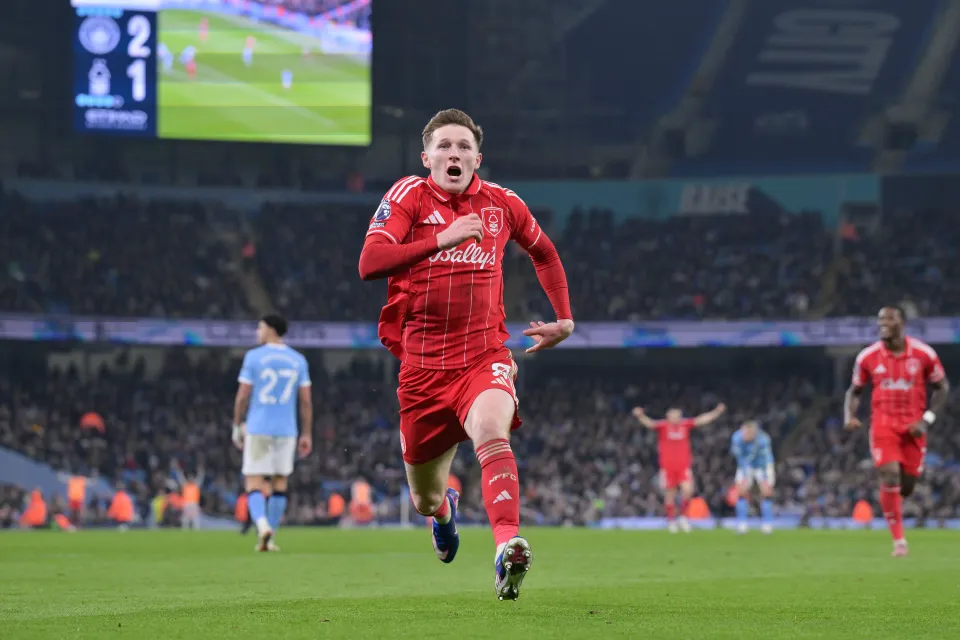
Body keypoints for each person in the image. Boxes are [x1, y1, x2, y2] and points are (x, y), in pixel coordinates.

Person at [358, 108, 574, 600]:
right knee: (424, 497)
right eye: (444, 146)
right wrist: (441, 239)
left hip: (483, 356)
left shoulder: (502, 204)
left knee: (492, 428)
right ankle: (445, 512)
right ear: (426, 156)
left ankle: (506, 547)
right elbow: (370, 262)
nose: (453, 153)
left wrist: (563, 316)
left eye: (463, 146)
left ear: (478, 157)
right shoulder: (407, 196)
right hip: (422, 370)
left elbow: (545, 252)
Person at [844, 306, 948, 557]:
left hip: (914, 428)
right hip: (883, 424)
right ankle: (899, 541)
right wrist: (849, 415)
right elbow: (854, 390)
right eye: (880, 319)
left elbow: (942, 387)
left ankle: (896, 501)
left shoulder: (923, 354)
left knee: (908, 486)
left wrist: (926, 420)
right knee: (889, 474)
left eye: (889, 319)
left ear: (902, 323)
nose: (883, 323)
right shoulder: (867, 357)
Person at [233, 314, 313, 552]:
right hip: (287, 430)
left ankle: (262, 525)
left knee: (254, 482)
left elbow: (243, 395)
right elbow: (306, 402)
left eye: (259, 327)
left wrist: (237, 424)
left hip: (258, 427)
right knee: (280, 482)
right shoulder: (298, 360)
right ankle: (270, 537)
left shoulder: (254, 357)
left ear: (270, 329)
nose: (257, 332)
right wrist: (306, 433)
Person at [632, 404, 726, 532]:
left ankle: (683, 518)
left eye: (677, 415)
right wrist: (640, 416)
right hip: (668, 466)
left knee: (688, 490)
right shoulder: (663, 426)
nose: (675, 417)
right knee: (670, 494)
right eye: (673, 415)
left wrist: (716, 412)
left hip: (683, 465)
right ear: (668, 417)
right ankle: (671, 521)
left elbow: (701, 420)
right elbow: (650, 424)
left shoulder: (685, 425)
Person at [730, 420, 775, 534]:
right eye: (743, 432)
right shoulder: (736, 437)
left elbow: (766, 459)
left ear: (754, 432)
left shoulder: (764, 440)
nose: (744, 435)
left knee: (766, 491)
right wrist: (745, 474)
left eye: (747, 433)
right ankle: (742, 524)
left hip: (763, 465)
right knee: (741, 490)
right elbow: (739, 457)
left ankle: (767, 524)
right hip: (745, 464)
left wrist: (765, 479)